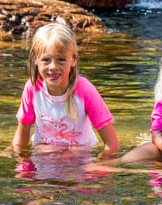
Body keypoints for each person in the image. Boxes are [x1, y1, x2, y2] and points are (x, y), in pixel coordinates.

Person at [12, 22, 119, 161]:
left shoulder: (85, 90)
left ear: (73, 60)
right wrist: (23, 166)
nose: (53, 67)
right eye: (46, 60)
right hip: (45, 156)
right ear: (35, 60)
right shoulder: (32, 88)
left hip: (80, 157)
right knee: (47, 150)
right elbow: (21, 138)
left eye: (61, 60)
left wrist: (99, 167)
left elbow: (112, 144)